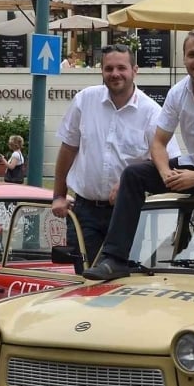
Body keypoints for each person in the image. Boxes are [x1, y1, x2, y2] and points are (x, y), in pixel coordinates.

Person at [83, 27, 194, 290]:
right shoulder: (178, 92)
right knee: (133, 174)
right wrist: (165, 172)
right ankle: (115, 258)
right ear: (183, 58)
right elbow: (158, 142)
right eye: (192, 55)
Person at [51, 44, 165, 264]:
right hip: (84, 211)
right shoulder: (85, 100)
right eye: (109, 68)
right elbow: (68, 149)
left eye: (121, 68)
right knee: (85, 281)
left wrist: (129, 182)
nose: (115, 74)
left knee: (122, 280)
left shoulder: (151, 112)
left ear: (135, 70)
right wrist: (58, 195)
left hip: (127, 212)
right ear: (101, 71)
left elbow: (163, 162)